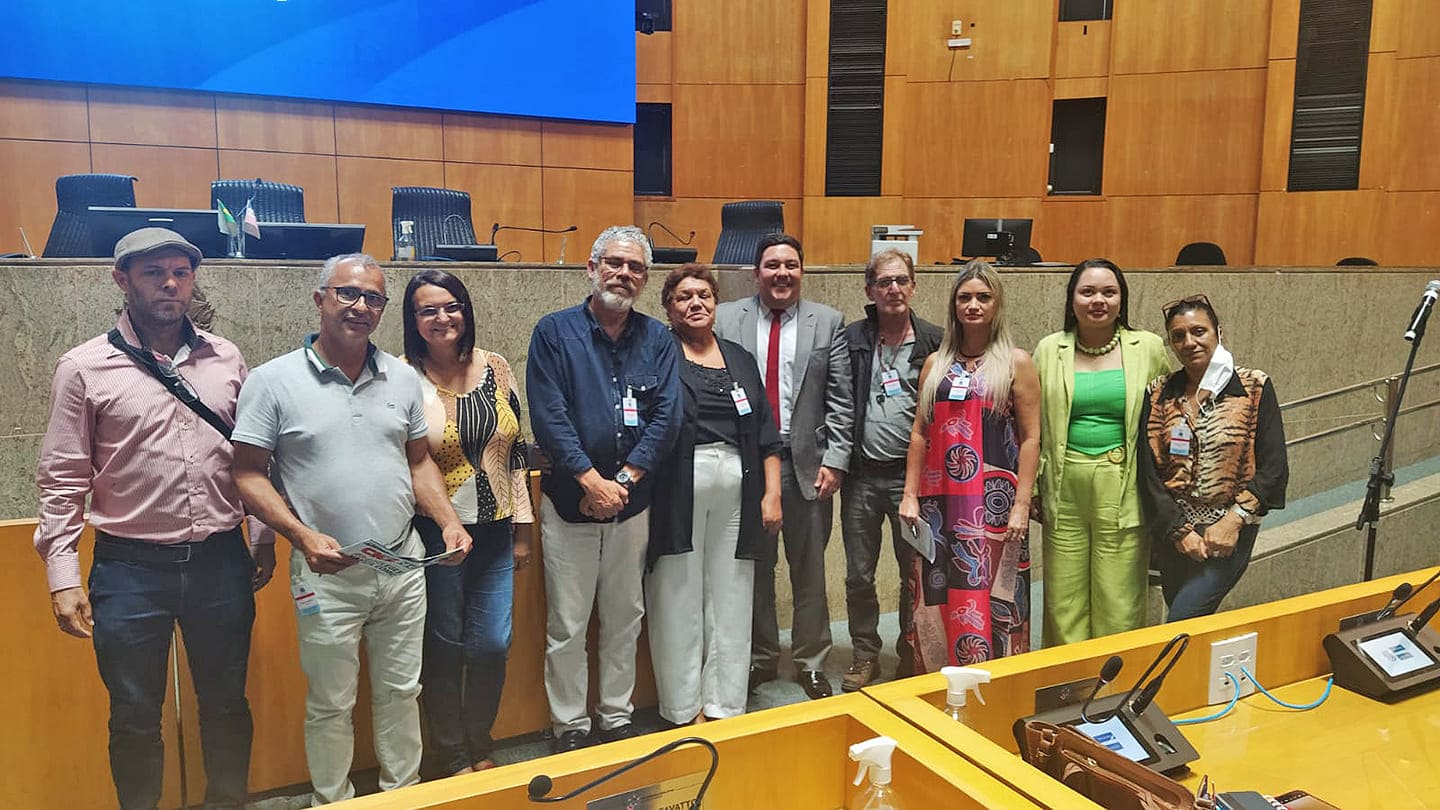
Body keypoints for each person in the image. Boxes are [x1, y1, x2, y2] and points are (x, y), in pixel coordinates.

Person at [34, 227, 274, 810]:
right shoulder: (84, 367)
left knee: (226, 704)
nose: (171, 284)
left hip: (221, 561)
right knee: (135, 715)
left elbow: (252, 458)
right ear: (122, 280)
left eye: (181, 273)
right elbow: (62, 479)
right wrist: (63, 576)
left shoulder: (226, 358)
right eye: (154, 273)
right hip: (129, 570)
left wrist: (262, 536)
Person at [231, 253, 472, 804]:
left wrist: (448, 521)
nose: (361, 307)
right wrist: (301, 536)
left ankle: (402, 795)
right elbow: (246, 473)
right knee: (331, 703)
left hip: (402, 566)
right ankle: (332, 800)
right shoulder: (272, 381)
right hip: (327, 574)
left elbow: (418, 462)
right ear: (320, 299)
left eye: (374, 299)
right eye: (348, 294)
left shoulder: (403, 378)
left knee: (401, 691)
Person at [526, 225, 681, 752]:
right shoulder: (554, 332)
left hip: (631, 506)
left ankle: (616, 715)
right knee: (568, 623)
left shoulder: (657, 339)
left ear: (645, 279)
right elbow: (550, 416)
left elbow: (666, 416)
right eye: (614, 263)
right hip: (569, 504)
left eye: (636, 267)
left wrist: (622, 482)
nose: (624, 274)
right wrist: (591, 481)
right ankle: (570, 724)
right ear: (592, 268)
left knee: (624, 617)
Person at [400, 269, 534, 775]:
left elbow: (516, 452)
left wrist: (523, 531)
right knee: (444, 644)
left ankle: (480, 742)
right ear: (413, 320)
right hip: (434, 534)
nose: (442, 317)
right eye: (428, 310)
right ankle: (453, 753)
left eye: (451, 306)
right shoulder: (400, 375)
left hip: (496, 528)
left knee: (492, 644)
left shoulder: (496, 366)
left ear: (466, 310)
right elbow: (407, 459)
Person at [714, 233, 854, 701]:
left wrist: (836, 459)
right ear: (756, 273)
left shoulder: (827, 322)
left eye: (791, 265)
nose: (782, 273)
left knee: (809, 569)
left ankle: (811, 660)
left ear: (802, 271)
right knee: (754, 568)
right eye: (772, 265)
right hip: (747, 463)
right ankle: (760, 656)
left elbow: (840, 398)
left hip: (808, 465)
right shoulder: (726, 318)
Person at [647, 264, 783, 725]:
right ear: (669, 308)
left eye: (703, 295)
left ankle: (725, 703)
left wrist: (772, 494)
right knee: (678, 596)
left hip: (740, 489)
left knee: (733, 597)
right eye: (684, 297)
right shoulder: (659, 353)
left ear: (716, 303)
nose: (695, 303)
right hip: (677, 489)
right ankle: (683, 707)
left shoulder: (739, 357)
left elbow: (766, 433)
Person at [898, 260, 1039, 670]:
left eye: (983, 297)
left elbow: (1031, 438)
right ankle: (938, 678)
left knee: (995, 594)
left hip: (994, 504)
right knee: (937, 593)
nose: (973, 305)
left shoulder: (1016, 362)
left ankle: (999, 681)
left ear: (997, 304)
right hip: (938, 505)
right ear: (954, 305)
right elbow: (920, 433)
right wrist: (909, 495)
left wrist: (1022, 504)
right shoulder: (935, 364)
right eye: (965, 298)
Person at [1034, 259, 1171, 645]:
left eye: (1109, 292)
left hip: (1123, 484)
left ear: (1121, 299)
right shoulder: (1049, 349)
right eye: (1088, 292)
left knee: (1119, 595)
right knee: (1063, 597)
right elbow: (1031, 423)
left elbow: (1166, 416)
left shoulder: (1147, 347)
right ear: (1072, 299)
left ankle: (1116, 676)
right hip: (1063, 484)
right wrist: (1031, 490)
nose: (1098, 300)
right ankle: (1069, 677)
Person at [1139, 295, 1288, 621]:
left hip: (1230, 528)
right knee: (1187, 619)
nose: (1189, 342)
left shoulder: (1254, 387)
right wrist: (1178, 531)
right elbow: (1147, 471)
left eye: (1199, 331)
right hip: (1175, 533)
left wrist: (1233, 521)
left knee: (1181, 620)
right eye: (1178, 335)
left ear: (1218, 332)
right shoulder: (1159, 393)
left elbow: (1274, 465)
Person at [838, 249, 942, 689]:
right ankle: (865, 653)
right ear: (870, 290)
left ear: (913, 286)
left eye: (901, 280)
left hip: (910, 479)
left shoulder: (935, 341)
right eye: (884, 282)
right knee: (859, 574)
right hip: (862, 476)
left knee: (911, 573)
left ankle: (908, 651)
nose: (894, 289)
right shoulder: (852, 339)